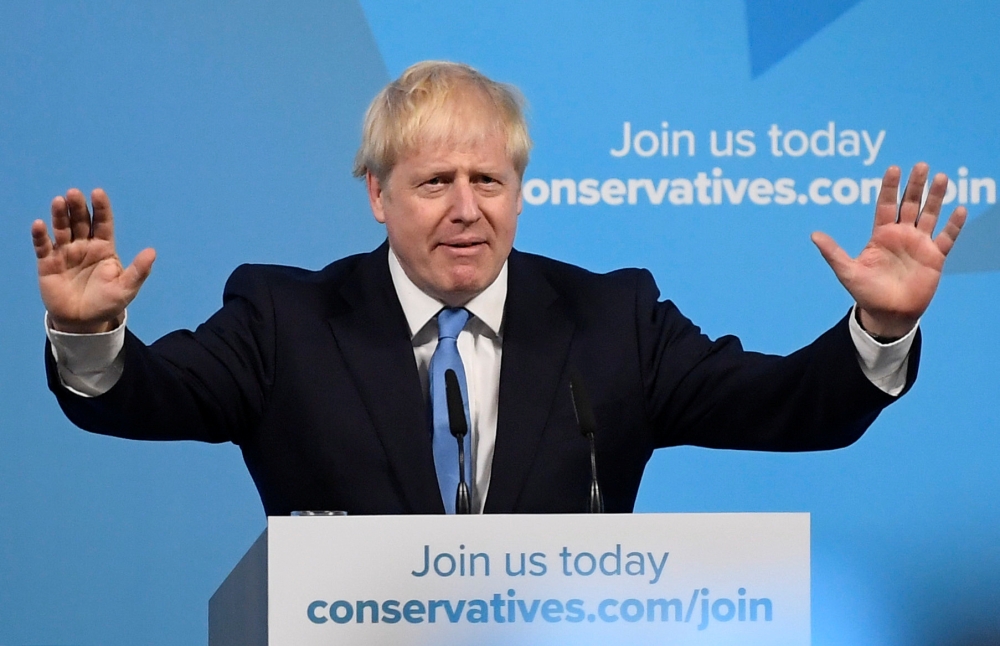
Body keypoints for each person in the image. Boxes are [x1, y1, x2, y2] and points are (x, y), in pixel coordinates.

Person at [32, 61, 966, 516]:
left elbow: (787, 408)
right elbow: (149, 398)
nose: (466, 210)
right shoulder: (285, 317)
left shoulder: (612, 320)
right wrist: (90, 341)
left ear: (520, 193)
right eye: (436, 183)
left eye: (490, 181)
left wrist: (876, 329)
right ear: (378, 195)